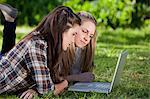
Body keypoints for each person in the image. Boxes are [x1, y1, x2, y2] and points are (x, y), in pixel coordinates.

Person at [0, 4, 81, 99]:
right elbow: (47, 90)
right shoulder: (36, 45)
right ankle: (10, 21)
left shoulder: (46, 44)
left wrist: (35, 89)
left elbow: (49, 80)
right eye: (73, 34)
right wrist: (65, 83)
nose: (73, 41)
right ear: (61, 30)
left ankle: (10, 20)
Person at [65, 12, 97, 83]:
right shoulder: (63, 47)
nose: (87, 39)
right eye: (84, 31)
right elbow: (52, 78)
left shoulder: (82, 51)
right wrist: (78, 77)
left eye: (90, 36)